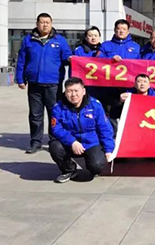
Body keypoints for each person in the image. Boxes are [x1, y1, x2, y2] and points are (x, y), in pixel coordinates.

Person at [16, 13, 72, 154]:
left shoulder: (60, 41)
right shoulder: (28, 40)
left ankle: (54, 140)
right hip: (34, 83)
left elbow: (67, 58)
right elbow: (22, 60)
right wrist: (20, 79)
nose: (45, 25)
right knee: (35, 115)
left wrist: (72, 59)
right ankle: (36, 142)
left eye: (47, 22)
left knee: (54, 114)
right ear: (37, 24)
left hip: (53, 84)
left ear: (51, 24)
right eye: (42, 22)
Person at [49, 77, 114, 183]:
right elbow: (56, 129)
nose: (73, 94)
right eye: (69, 91)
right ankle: (69, 170)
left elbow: (105, 128)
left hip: (91, 142)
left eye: (76, 91)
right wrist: (72, 142)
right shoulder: (58, 107)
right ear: (65, 93)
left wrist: (108, 149)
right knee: (55, 147)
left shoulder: (95, 105)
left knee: (97, 166)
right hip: (70, 142)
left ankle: (92, 165)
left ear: (83, 91)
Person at [98, 19, 141, 117]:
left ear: (128, 31)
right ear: (114, 30)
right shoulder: (105, 45)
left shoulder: (136, 47)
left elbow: (141, 66)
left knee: (128, 115)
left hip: (128, 87)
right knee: (109, 116)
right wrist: (110, 60)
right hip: (109, 87)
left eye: (124, 29)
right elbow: (97, 61)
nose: (121, 31)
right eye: (119, 29)